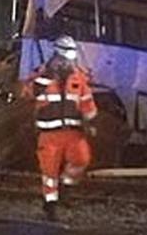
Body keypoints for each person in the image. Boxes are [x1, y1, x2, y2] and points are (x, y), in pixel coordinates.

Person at [25, 35, 98, 221]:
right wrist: (43, 78)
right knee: (49, 173)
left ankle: (65, 187)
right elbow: (27, 93)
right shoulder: (43, 76)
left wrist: (91, 123)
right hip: (49, 135)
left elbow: (87, 102)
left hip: (74, 132)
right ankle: (50, 205)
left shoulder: (79, 78)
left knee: (81, 159)